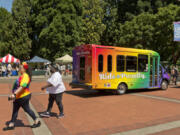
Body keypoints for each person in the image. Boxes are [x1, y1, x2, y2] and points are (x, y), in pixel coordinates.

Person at [3, 62, 41, 130]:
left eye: (20, 68)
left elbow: (22, 86)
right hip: (19, 96)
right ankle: (12, 124)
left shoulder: (25, 76)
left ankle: (37, 121)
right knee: (15, 110)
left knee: (27, 109)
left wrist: (14, 94)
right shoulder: (22, 75)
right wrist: (15, 95)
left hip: (23, 96)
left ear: (24, 69)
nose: (19, 69)